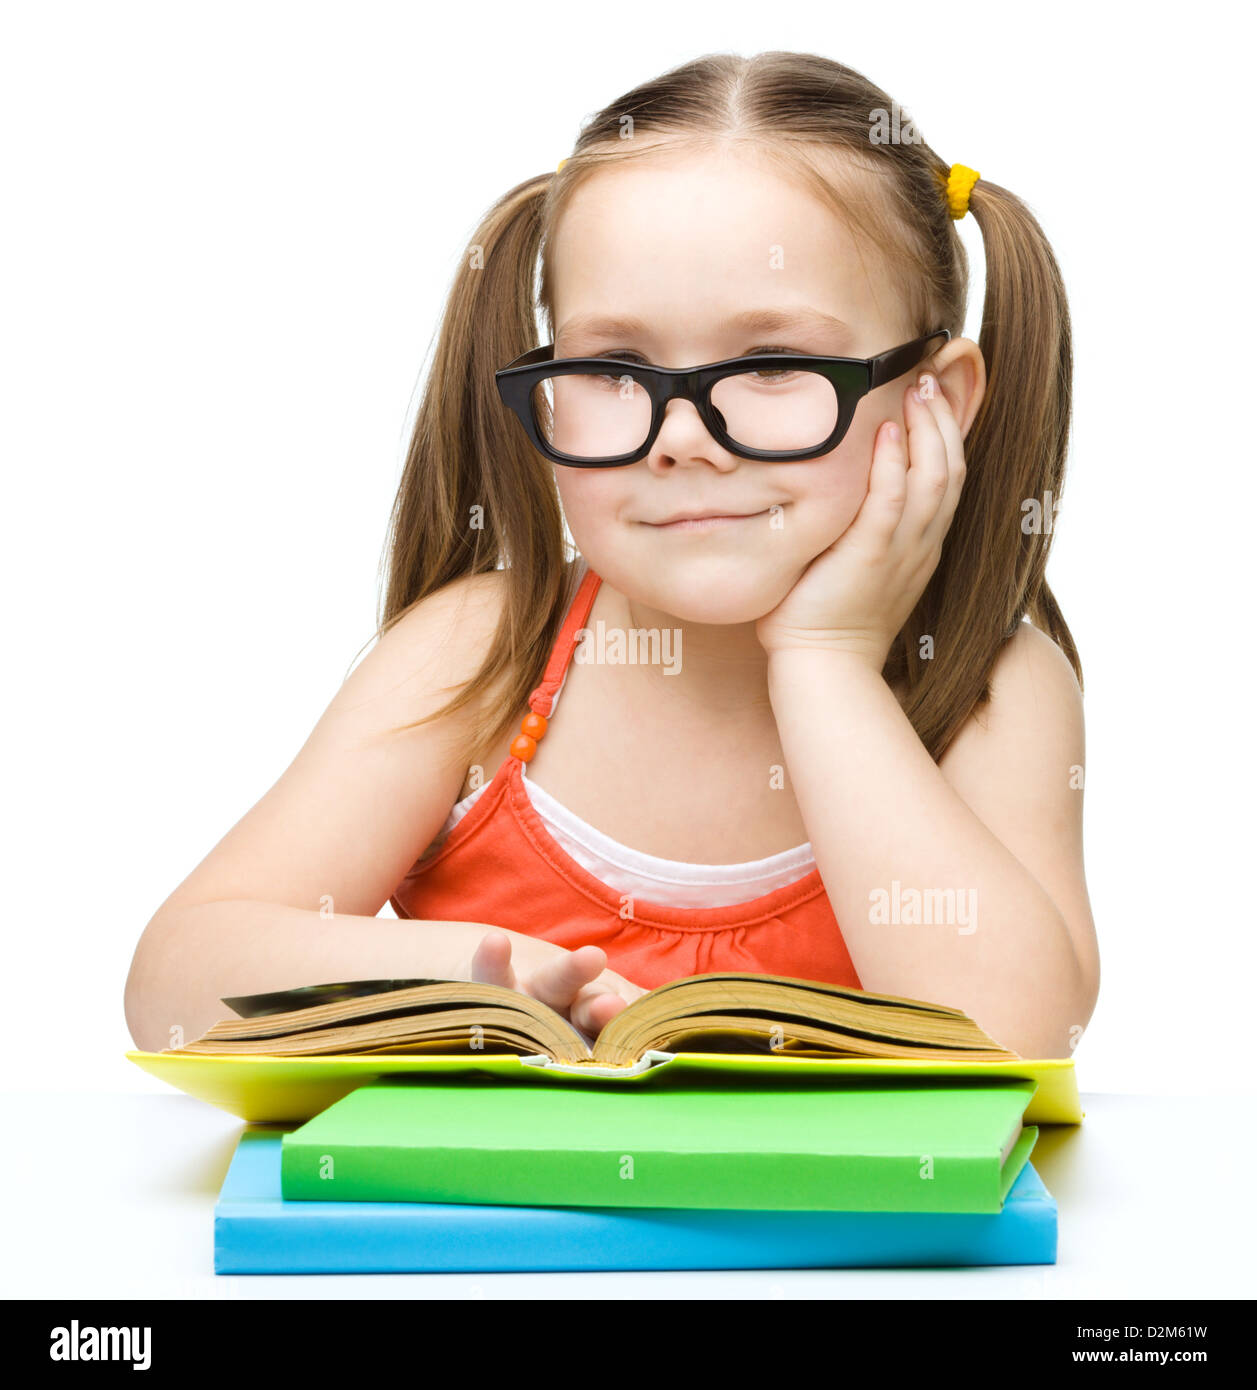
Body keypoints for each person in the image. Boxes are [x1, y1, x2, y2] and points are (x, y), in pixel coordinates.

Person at [125, 51, 1099, 1060]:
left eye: (769, 363)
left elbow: (1016, 1042)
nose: (681, 435)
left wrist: (827, 661)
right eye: (617, 367)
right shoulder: (482, 656)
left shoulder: (988, 688)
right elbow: (177, 983)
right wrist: (482, 975)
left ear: (936, 398)